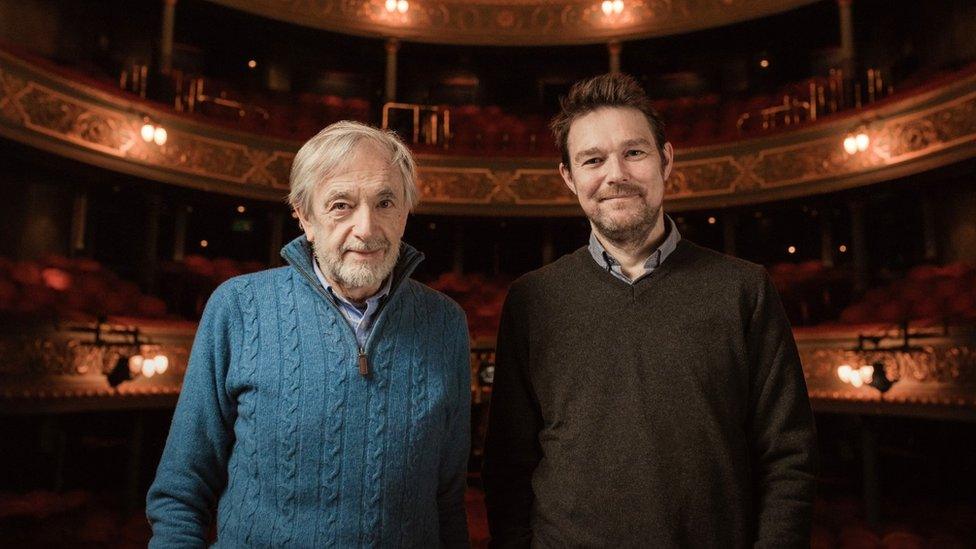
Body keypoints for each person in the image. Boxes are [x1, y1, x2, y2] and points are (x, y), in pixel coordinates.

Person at [482, 73, 817, 548]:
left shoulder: (744, 289)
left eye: (634, 153)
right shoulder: (532, 300)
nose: (615, 174)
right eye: (592, 159)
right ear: (568, 177)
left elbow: (789, 457)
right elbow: (507, 466)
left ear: (666, 160)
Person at [147, 121, 471, 548]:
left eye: (385, 202)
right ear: (303, 215)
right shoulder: (238, 308)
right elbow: (181, 495)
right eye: (341, 205)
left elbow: (447, 503)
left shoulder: (446, 323)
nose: (367, 228)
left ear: (406, 211)